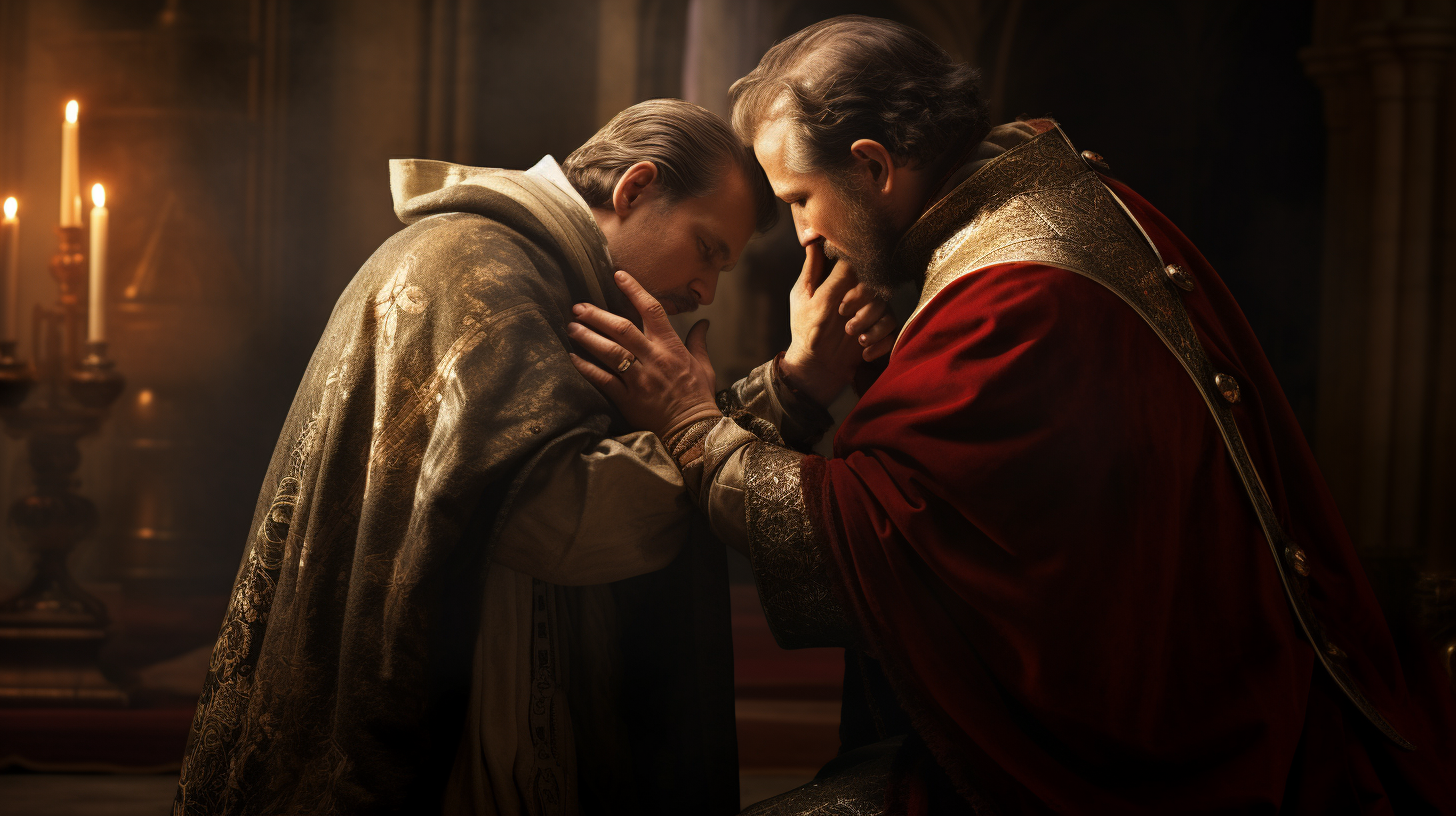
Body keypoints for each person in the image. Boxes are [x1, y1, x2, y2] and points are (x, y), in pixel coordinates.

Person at [567, 17, 1456, 815]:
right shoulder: (1035, 200)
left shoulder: (1015, 297)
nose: (803, 235)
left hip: (1149, 751)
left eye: (801, 199)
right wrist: (872, 350)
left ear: (874, 167)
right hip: (1161, 682)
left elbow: (878, 540)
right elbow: (984, 477)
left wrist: (692, 422)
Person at [173, 98, 893, 816]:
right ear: (635, 187)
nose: (705, 289)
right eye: (708, 248)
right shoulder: (481, 269)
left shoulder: (528, 268)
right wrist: (779, 393)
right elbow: (563, 524)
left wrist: (776, 390)